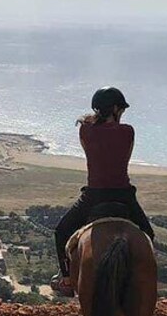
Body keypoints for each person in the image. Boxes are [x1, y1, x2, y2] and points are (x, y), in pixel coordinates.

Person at [51, 87, 155, 297]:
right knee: (148, 234)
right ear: (115, 109)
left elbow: (88, 144)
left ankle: (67, 279)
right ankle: (149, 283)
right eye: (121, 109)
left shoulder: (85, 132)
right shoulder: (128, 132)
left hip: (94, 196)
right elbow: (125, 156)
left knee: (61, 232)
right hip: (123, 195)